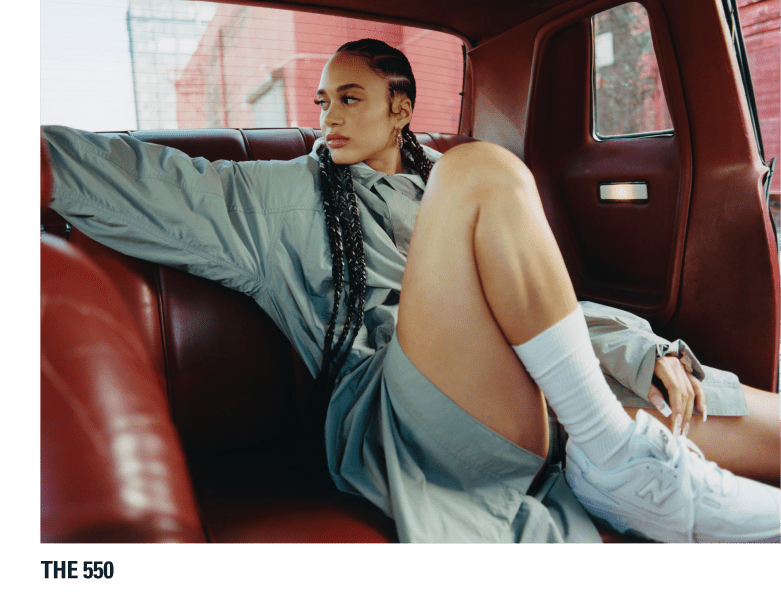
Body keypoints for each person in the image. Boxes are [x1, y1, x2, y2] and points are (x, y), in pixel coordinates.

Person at [42, 39, 780, 544]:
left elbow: (542, 306)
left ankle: (613, 452)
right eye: (323, 100)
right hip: (405, 415)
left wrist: (640, 348)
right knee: (481, 167)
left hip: (536, 395)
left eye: (351, 98)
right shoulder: (280, 196)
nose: (328, 117)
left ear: (401, 109)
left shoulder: (442, 181)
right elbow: (132, 174)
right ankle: (617, 457)